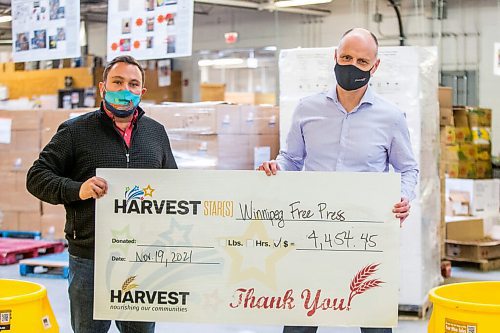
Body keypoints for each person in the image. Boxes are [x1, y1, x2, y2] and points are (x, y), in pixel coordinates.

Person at [258, 28, 419, 333]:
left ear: (375, 66)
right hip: (312, 233)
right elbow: (291, 159)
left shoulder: (391, 117)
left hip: (367, 236)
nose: (352, 66)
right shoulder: (308, 109)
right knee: (300, 321)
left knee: (373, 324)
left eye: (361, 61)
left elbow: (408, 169)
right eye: (346, 57)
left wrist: (403, 197)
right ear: (335, 56)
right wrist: (274, 168)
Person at [27, 55, 177, 333]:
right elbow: (36, 178)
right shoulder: (75, 131)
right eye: (117, 82)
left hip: (141, 258)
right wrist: (77, 189)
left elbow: (174, 187)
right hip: (89, 258)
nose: (125, 90)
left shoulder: (156, 133)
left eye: (133, 84)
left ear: (142, 92)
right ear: (102, 87)